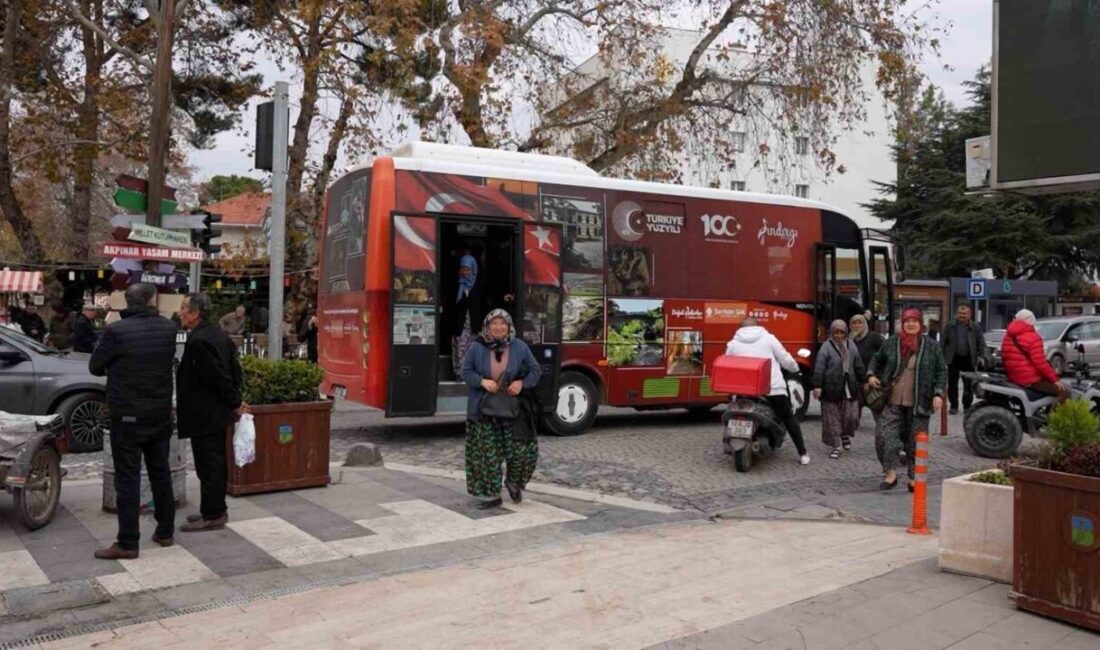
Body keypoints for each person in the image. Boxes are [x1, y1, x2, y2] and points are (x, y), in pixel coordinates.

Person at [88, 283, 178, 559]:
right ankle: (165, 531)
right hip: (160, 413)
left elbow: (95, 366)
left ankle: (128, 542)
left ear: (127, 302)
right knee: (160, 472)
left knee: (127, 479)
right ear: (152, 301)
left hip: (127, 415)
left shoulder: (116, 331)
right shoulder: (168, 328)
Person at [177, 293, 245, 532]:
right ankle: (212, 508)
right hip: (214, 412)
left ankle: (214, 513)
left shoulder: (200, 340)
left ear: (196, 313)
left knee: (210, 464)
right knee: (212, 462)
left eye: (184, 308)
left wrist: (235, 401)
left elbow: (218, 376)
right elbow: (235, 369)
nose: (181, 312)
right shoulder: (216, 334)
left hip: (207, 413)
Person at [460, 310, 541, 509]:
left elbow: (535, 370)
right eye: (494, 323)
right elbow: (466, 371)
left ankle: (514, 481)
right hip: (483, 410)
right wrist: (482, 381)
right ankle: (491, 496)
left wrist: (521, 383)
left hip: (513, 409)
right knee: (487, 456)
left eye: (502, 323)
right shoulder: (476, 348)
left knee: (523, 450)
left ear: (509, 326)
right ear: (487, 326)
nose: (498, 327)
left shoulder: (519, 346)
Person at [867, 309, 947, 492]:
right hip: (892, 401)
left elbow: (942, 371)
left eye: (914, 321)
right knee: (883, 436)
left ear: (921, 324)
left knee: (916, 444)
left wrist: (938, 393)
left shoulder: (932, 346)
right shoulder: (892, 342)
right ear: (902, 324)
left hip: (920, 403)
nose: (911, 324)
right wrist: (871, 375)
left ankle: (913, 478)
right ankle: (890, 474)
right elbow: (876, 359)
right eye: (907, 321)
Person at [725, 317, 810, 465]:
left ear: (741, 328)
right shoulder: (769, 339)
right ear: (758, 326)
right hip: (772, 389)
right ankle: (802, 453)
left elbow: (727, 364)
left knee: (733, 412)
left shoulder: (733, 343)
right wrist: (795, 369)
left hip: (744, 391)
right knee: (789, 418)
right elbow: (784, 359)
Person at [813, 320, 866, 459]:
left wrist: (864, 380)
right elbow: (819, 368)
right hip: (831, 388)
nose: (839, 335)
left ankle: (844, 435)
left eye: (842, 332)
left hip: (849, 387)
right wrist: (817, 386)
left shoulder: (851, 345)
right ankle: (836, 446)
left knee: (851, 417)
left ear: (846, 333)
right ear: (831, 332)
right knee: (832, 419)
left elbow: (858, 364)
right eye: (836, 332)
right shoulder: (826, 347)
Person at [1002, 309, 1068, 402]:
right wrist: (1055, 380)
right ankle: (1053, 416)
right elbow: (1040, 363)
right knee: (1064, 392)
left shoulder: (1008, 336)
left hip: (1013, 376)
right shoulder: (1033, 337)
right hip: (1029, 379)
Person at [942, 305, 986, 414]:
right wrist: (941, 358)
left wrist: (982, 355)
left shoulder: (975, 327)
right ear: (957, 314)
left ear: (969, 315)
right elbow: (942, 342)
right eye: (960, 314)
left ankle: (967, 406)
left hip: (969, 359)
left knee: (968, 384)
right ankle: (953, 406)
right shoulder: (950, 326)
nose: (962, 316)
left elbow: (981, 343)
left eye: (964, 314)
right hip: (953, 358)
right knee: (952, 384)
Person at [451, 254, 483, 378]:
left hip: (474, 324)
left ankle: (471, 373)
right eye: (463, 269)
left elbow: (483, 304)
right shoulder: (455, 284)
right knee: (459, 347)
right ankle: (459, 373)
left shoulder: (479, 285)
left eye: (468, 269)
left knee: (473, 348)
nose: (465, 272)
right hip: (459, 324)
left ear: (473, 269)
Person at [850, 313, 885, 423]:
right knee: (852, 418)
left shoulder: (874, 337)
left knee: (878, 411)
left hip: (871, 381)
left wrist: (876, 376)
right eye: (854, 323)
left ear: (865, 324)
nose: (857, 325)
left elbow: (885, 356)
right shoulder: (850, 340)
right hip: (856, 382)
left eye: (859, 322)